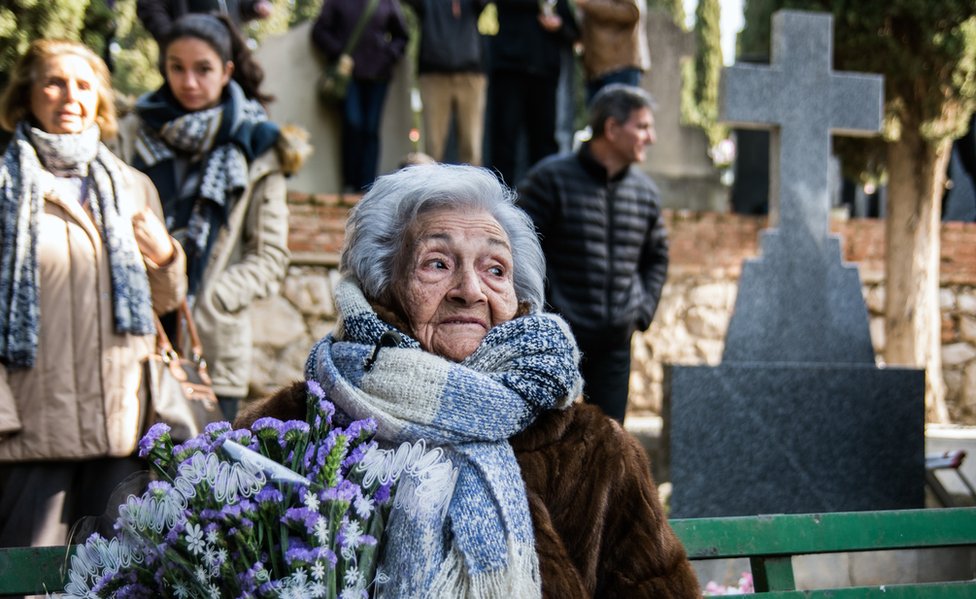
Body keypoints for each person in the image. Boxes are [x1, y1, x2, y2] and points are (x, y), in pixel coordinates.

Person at [235, 163, 699, 597]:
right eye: (437, 263)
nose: (470, 291)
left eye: (494, 270)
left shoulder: (595, 451)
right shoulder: (291, 429)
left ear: (518, 299)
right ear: (382, 286)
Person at [0, 39, 187, 547]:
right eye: (54, 82)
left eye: (83, 85)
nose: (70, 96)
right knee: (26, 579)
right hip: (29, 430)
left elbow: (163, 304)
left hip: (122, 423)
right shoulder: (4, 188)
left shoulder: (131, 186)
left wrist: (168, 257)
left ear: (100, 100)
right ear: (27, 95)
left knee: (119, 578)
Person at [117, 13, 303, 422]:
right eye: (176, 68)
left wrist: (214, 298)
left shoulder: (258, 146)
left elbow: (270, 255)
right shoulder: (130, 134)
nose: (189, 82)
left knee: (207, 479)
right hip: (133, 338)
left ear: (226, 71)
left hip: (212, 347)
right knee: (133, 481)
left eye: (203, 69)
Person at [517, 84, 667, 423]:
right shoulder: (549, 179)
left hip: (615, 346)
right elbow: (518, 247)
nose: (651, 137)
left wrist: (640, 312)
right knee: (547, 441)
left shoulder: (645, 193)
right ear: (612, 129)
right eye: (642, 126)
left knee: (611, 447)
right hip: (556, 340)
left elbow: (657, 257)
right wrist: (545, 309)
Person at [311, 0, 409, 192]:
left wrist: (387, 56)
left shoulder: (386, 3)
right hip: (348, 77)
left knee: (371, 129)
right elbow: (319, 31)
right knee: (353, 124)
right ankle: (350, 183)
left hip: (378, 76)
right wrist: (339, 53)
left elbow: (402, 36)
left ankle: (367, 186)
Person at [488, 0, 579, 187]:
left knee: (544, 142)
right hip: (509, 70)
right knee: (505, 140)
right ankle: (500, 199)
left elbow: (573, 31)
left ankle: (545, 196)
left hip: (544, 73)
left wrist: (559, 26)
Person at [404, 0, 488, 166]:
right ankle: (432, 191)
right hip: (433, 74)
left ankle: (472, 191)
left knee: (471, 147)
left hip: (470, 74)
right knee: (433, 147)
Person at [575, 0, 651, 103]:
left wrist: (588, 4)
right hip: (594, 69)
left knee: (622, 116)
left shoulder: (589, 4)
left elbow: (631, 12)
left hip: (620, 66)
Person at [137, 0, 274, 45]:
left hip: (229, 51)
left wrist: (255, 5)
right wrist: (172, 38)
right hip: (188, 54)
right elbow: (149, 6)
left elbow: (236, 5)